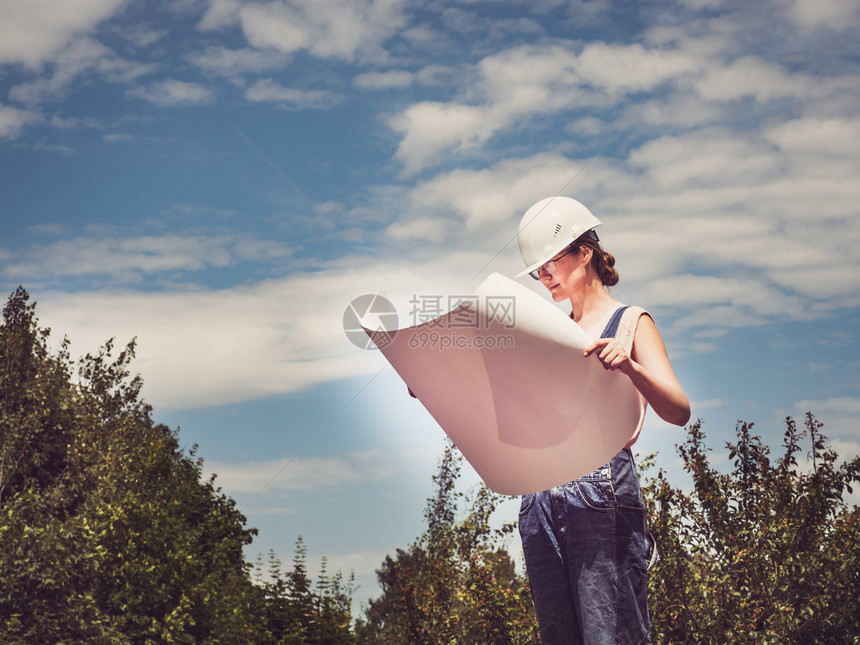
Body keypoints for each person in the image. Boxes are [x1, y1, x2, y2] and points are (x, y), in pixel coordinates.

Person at [514, 196, 690, 645]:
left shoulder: (630, 321)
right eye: (537, 270)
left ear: (584, 252)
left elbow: (679, 410)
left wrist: (630, 366)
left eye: (550, 262)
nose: (543, 276)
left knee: (610, 636)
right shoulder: (547, 332)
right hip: (541, 494)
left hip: (602, 489)